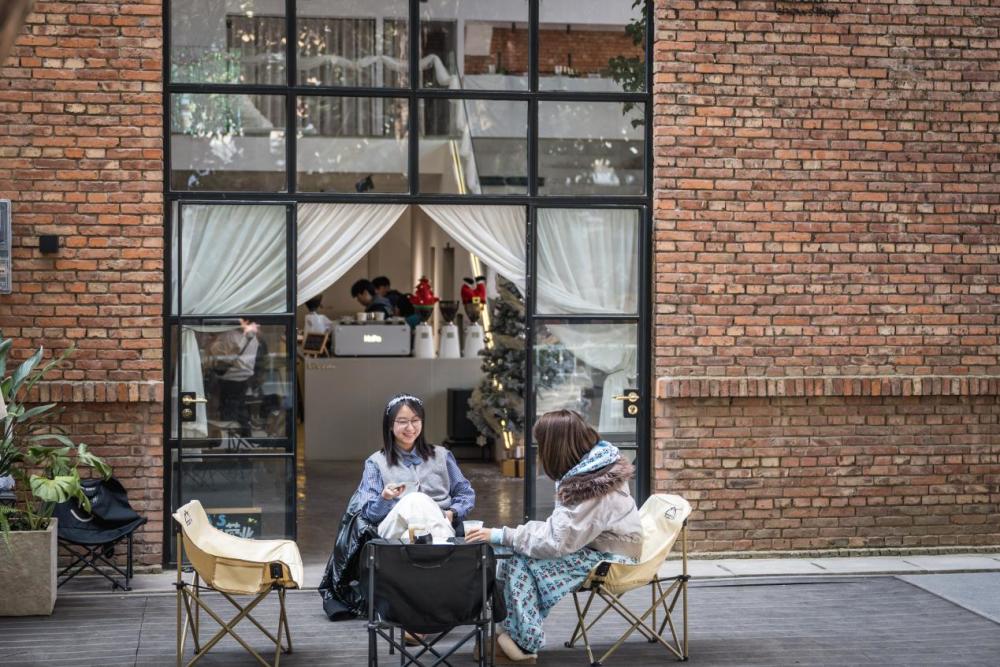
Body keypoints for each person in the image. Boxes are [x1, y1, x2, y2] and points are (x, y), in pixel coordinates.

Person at [467, 410, 642, 663]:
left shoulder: (593, 486)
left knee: (520, 562)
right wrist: (506, 537)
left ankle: (523, 645)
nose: (540, 452)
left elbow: (555, 542)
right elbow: (560, 532)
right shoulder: (592, 469)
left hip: (611, 558)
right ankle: (514, 632)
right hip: (595, 547)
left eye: (541, 445)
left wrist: (501, 534)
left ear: (555, 446)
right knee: (514, 554)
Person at [355, 394, 475, 542]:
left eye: (415, 420)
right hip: (392, 530)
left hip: (437, 524)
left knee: (410, 536)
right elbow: (370, 515)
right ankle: (439, 547)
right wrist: (385, 498)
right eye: (402, 421)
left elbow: (465, 493)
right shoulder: (375, 462)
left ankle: (428, 545)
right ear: (390, 425)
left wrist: (452, 513)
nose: (410, 427)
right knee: (415, 499)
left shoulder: (442, 455)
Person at [208, 318, 266, 438]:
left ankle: (231, 438)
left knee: (228, 410)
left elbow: (215, 352)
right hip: (246, 379)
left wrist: (213, 341)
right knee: (240, 408)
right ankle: (245, 436)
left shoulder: (228, 335)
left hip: (229, 378)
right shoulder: (252, 337)